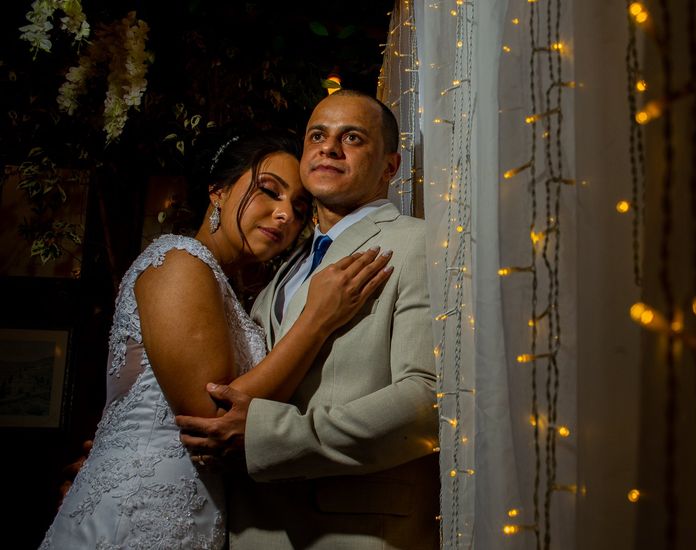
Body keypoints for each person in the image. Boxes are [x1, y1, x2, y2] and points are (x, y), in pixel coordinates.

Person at [40, 129, 394, 549]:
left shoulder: (237, 291)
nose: (285, 215)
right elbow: (210, 414)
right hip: (138, 517)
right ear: (219, 191)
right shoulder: (177, 261)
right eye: (269, 191)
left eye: (300, 208)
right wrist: (317, 320)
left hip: (199, 516)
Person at [175, 90, 439, 549]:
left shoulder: (419, 244)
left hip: (350, 531)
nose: (329, 147)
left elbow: (426, 399)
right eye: (317, 135)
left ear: (390, 167)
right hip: (249, 527)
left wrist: (271, 437)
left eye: (352, 138)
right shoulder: (283, 263)